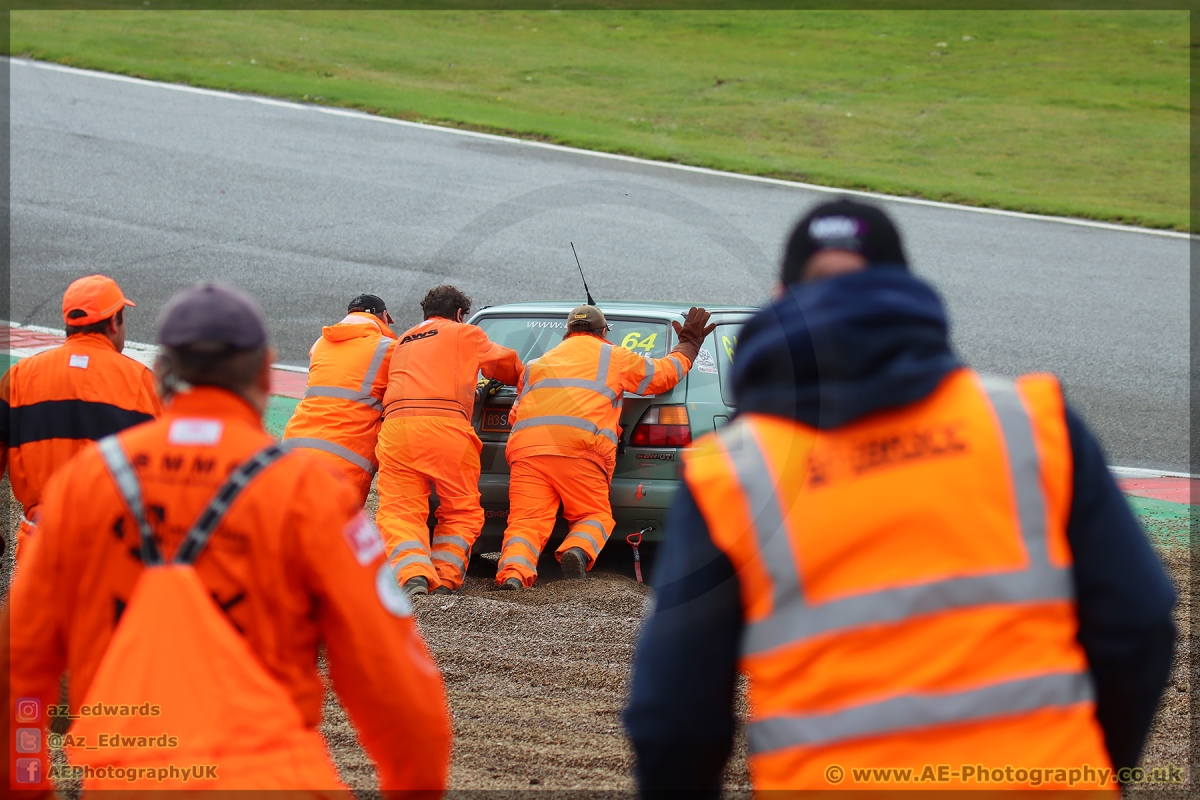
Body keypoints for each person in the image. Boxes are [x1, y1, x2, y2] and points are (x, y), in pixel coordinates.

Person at [623, 199, 1177, 794]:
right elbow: (1139, 622)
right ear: (904, 286)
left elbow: (673, 715)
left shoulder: (734, 472)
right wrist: (1098, 767)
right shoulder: (1030, 421)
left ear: (781, 296)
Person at [4, 283, 451, 793]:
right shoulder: (310, 493)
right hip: (271, 776)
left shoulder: (83, 486)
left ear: (166, 371)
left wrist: (26, 782)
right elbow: (394, 678)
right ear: (265, 372)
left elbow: (21, 668)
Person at [495, 304, 715, 589]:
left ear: (567, 333)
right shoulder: (613, 357)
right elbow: (663, 375)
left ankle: (513, 574)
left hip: (528, 451)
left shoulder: (535, 365)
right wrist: (688, 346)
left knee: (525, 522)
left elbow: (516, 413)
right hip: (581, 451)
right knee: (593, 515)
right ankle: (577, 549)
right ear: (602, 333)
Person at [0, 274, 161, 560]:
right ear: (114, 323)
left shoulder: (18, 379)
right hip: (111, 551)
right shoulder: (144, 384)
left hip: (40, 548)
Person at [376, 285, 523, 596]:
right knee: (460, 510)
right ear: (459, 314)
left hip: (395, 430)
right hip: (445, 429)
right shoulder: (465, 334)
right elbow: (507, 366)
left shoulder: (401, 340)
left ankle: (413, 574)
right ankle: (444, 577)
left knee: (400, 510)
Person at [282, 294, 397, 505]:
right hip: (346, 455)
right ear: (384, 317)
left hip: (296, 444)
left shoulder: (321, 343)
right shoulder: (387, 348)